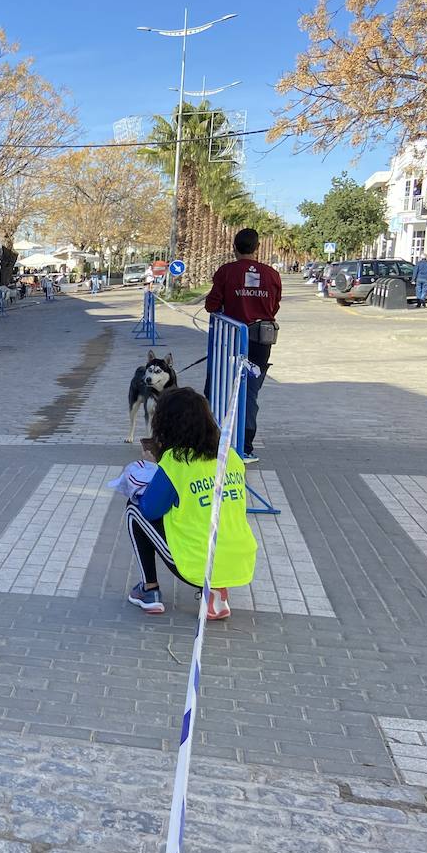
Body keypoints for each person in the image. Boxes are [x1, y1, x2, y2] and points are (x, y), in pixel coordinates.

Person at [125, 387, 257, 620]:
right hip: (240, 557)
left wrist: (154, 469)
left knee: (134, 509)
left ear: (166, 424)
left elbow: (150, 509)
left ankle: (149, 590)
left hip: (196, 562)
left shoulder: (176, 461)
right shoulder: (231, 456)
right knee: (204, 515)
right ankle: (216, 593)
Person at [205, 228, 282, 463]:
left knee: (218, 387)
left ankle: (211, 441)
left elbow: (211, 304)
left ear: (234, 248)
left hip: (231, 340)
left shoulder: (226, 272)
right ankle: (246, 447)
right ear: (257, 248)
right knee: (250, 392)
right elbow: (275, 305)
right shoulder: (271, 275)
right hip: (261, 342)